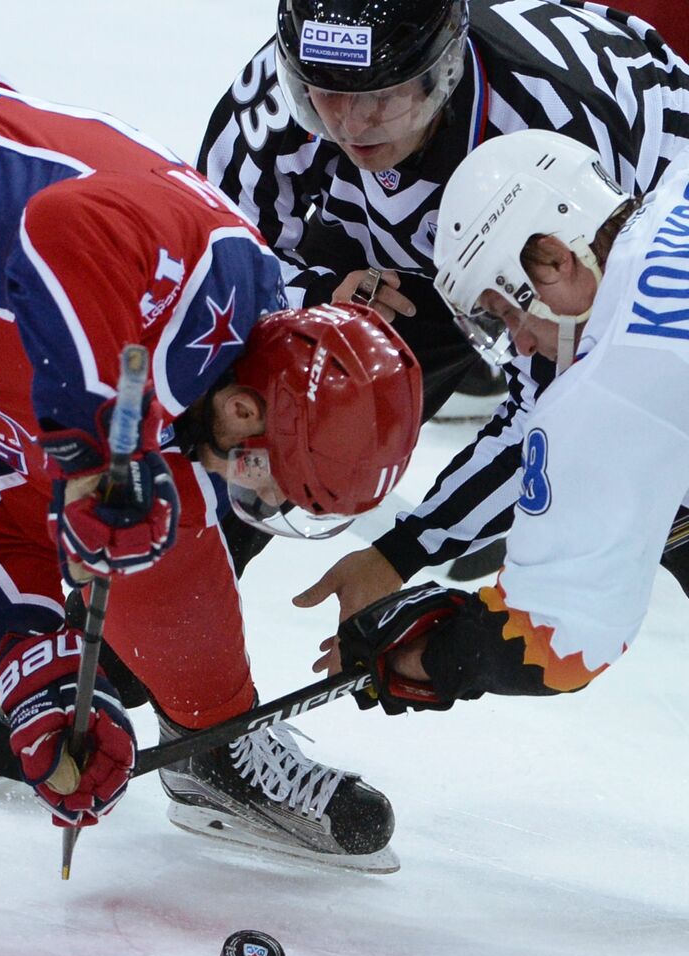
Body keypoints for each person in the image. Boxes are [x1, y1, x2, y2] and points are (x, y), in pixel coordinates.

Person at [0, 55, 422, 871]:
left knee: (158, 517)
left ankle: (210, 736)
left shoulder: (174, 395)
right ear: (242, 409)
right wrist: (92, 455)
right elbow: (66, 227)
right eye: (267, 476)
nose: (251, 492)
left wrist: (40, 678)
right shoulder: (207, 261)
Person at [198, 0, 689, 594]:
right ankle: (165, 616)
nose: (351, 126)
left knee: (650, 467)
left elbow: (559, 409)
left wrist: (407, 549)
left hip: (595, 229)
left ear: (445, 68)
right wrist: (316, 295)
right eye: (323, 95)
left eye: (381, 95)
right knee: (280, 375)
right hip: (420, 243)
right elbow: (209, 266)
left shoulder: (552, 143)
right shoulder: (287, 88)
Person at [336, 127, 689, 711]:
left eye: (507, 311)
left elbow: (552, 644)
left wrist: (428, 657)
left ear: (553, 257)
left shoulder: (612, 390)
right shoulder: (677, 176)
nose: (520, 347)